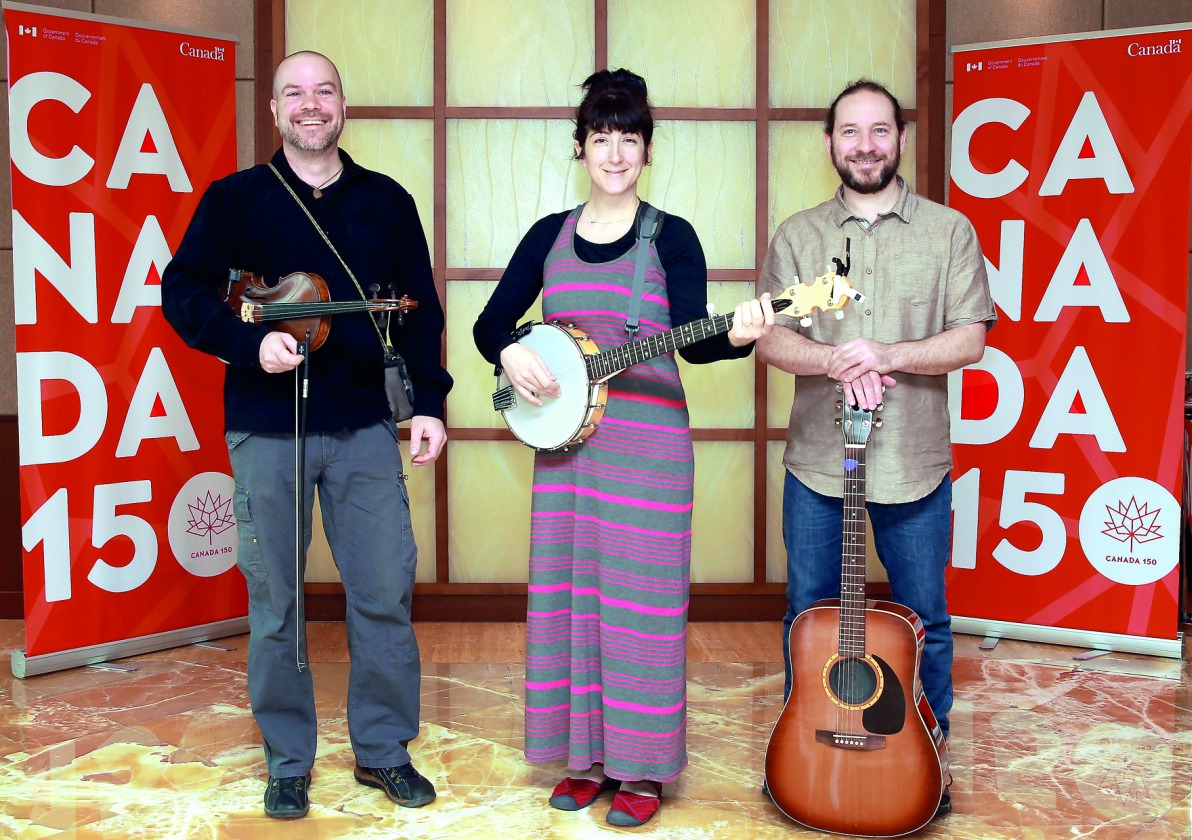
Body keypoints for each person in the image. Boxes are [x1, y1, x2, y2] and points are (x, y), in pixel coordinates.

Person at [473, 68, 774, 828]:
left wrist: (737, 336)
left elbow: (697, 346)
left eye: (629, 139)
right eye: (601, 138)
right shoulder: (549, 235)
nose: (615, 153)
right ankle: (583, 760)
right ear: (580, 147)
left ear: (647, 149)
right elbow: (488, 325)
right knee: (571, 603)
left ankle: (641, 769)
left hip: (649, 457)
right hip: (568, 457)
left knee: (642, 611)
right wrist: (509, 353)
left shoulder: (672, 236)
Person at [161, 50, 452, 820]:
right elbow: (181, 291)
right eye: (295, 93)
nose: (310, 105)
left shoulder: (387, 201)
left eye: (324, 91)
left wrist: (429, 404)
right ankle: (288, 760)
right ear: (277, 111)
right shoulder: (235, 199)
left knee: (384, 592)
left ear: (343, 105)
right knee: (276, 602)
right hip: (266, 427)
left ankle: (384, 752)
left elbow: (421, 309)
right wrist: (246, 344)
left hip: (362, 428)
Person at [754, 78, 995, 817]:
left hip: (914, 464)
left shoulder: (949, 230)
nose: (865, 145)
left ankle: (928, 760)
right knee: (808, 616)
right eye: (850, 132)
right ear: (829, 144)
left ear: (900, 138)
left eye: (879, 130)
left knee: (926, 613)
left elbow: (972, 337)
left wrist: (885, 353)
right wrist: (832, 360)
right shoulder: (799, 234)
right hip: (819, 465)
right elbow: (768, 336)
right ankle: (806, 753)